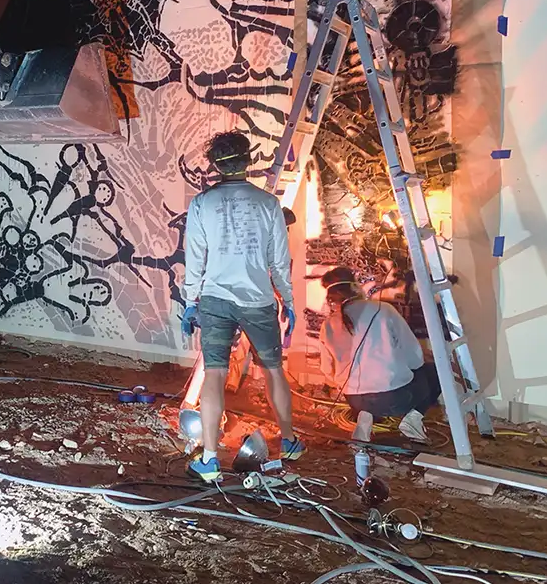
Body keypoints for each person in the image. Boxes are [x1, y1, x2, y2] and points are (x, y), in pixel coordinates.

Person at [180, 130, 305, 482]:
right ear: (247, 161)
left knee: (215, 375)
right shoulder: (268, 204)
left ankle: (208, 459)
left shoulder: (202, 204)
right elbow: (280, 262)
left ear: (215, 166)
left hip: (216, 300)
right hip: (258, 300)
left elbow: (196, 260)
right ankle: (291, 441)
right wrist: (289, 303)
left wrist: (191, 302)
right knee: (274, 371)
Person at [317, 267, 442, 443]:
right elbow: (415, 357)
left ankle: (364, 418)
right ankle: (412, 421)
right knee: (436, 372)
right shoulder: (383, 309)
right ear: (355, 287)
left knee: (368, 391)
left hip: (355, 401)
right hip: (396, 399)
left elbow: (326, 370)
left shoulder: (327, 325)